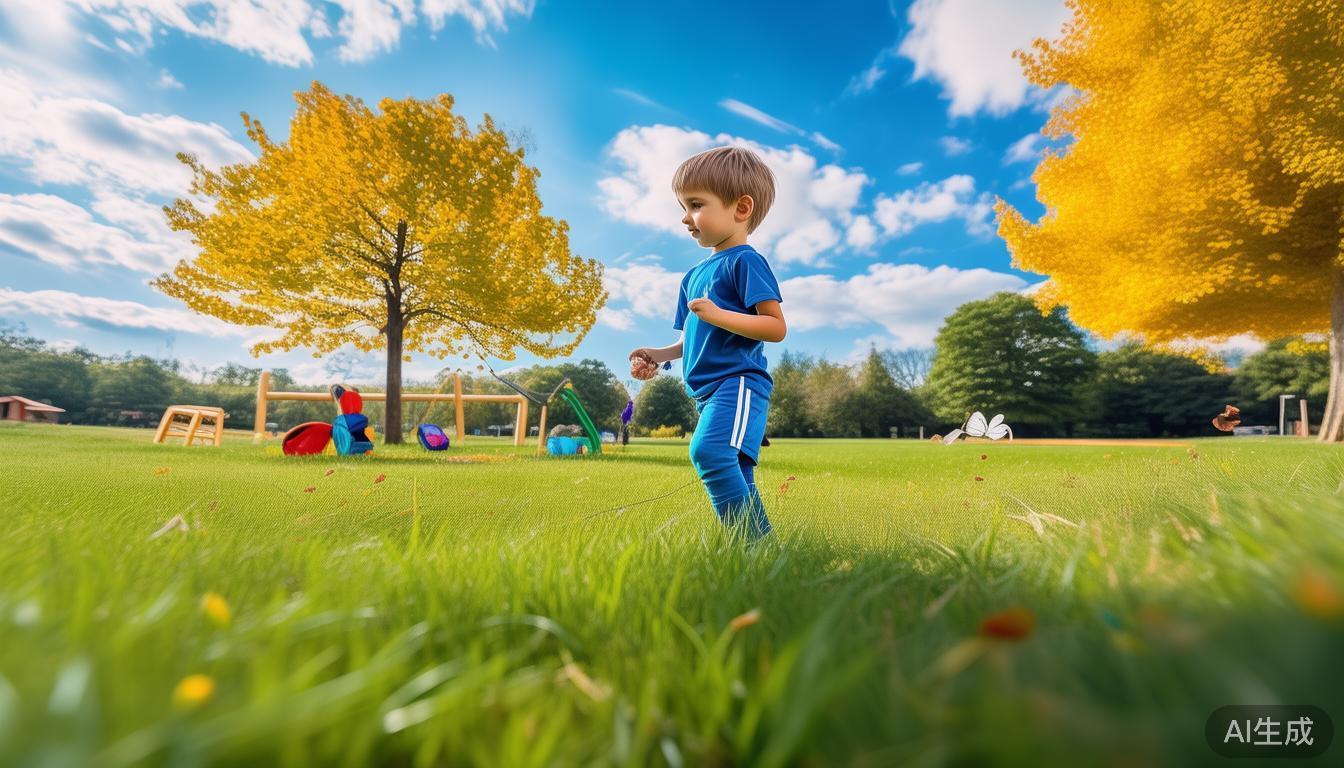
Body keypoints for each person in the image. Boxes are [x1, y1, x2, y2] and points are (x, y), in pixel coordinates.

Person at [629, 146, 786, 541]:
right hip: (706, 391)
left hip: (739, 383)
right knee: (735, 469)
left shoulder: (745, 262)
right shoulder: (692, 276)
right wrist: (657, 355)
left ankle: (751, 546)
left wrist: (717, 314)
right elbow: (691, 338)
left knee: (709, 452)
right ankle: (762, 549)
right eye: (683, 205)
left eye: (696, 204)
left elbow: (774, 326)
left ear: (741, 207)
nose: (685, 217)